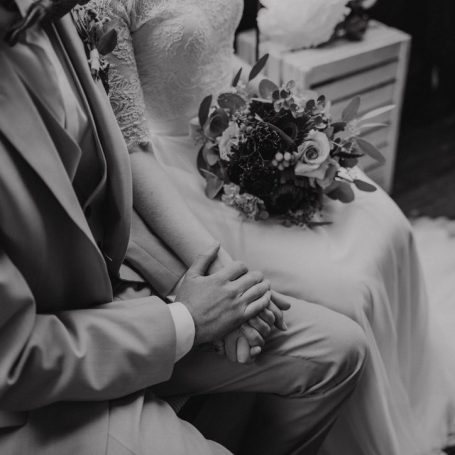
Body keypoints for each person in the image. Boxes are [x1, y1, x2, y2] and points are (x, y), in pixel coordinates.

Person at [0, 2, 368, 454]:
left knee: (342, 350)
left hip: (120, 287)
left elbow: (100, 198)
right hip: (39, 389)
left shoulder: (54, 18)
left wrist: (213, 286)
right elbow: (13, 358)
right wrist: (186, 320)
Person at [93, 0, 455, 454]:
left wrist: (285, 121)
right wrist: (222, 269)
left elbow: (221, 55)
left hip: (241, 127)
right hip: (168, 174)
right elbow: (128, 148)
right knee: (344, 289)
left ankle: (407, 399)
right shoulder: (99, 6)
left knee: (389, 225)